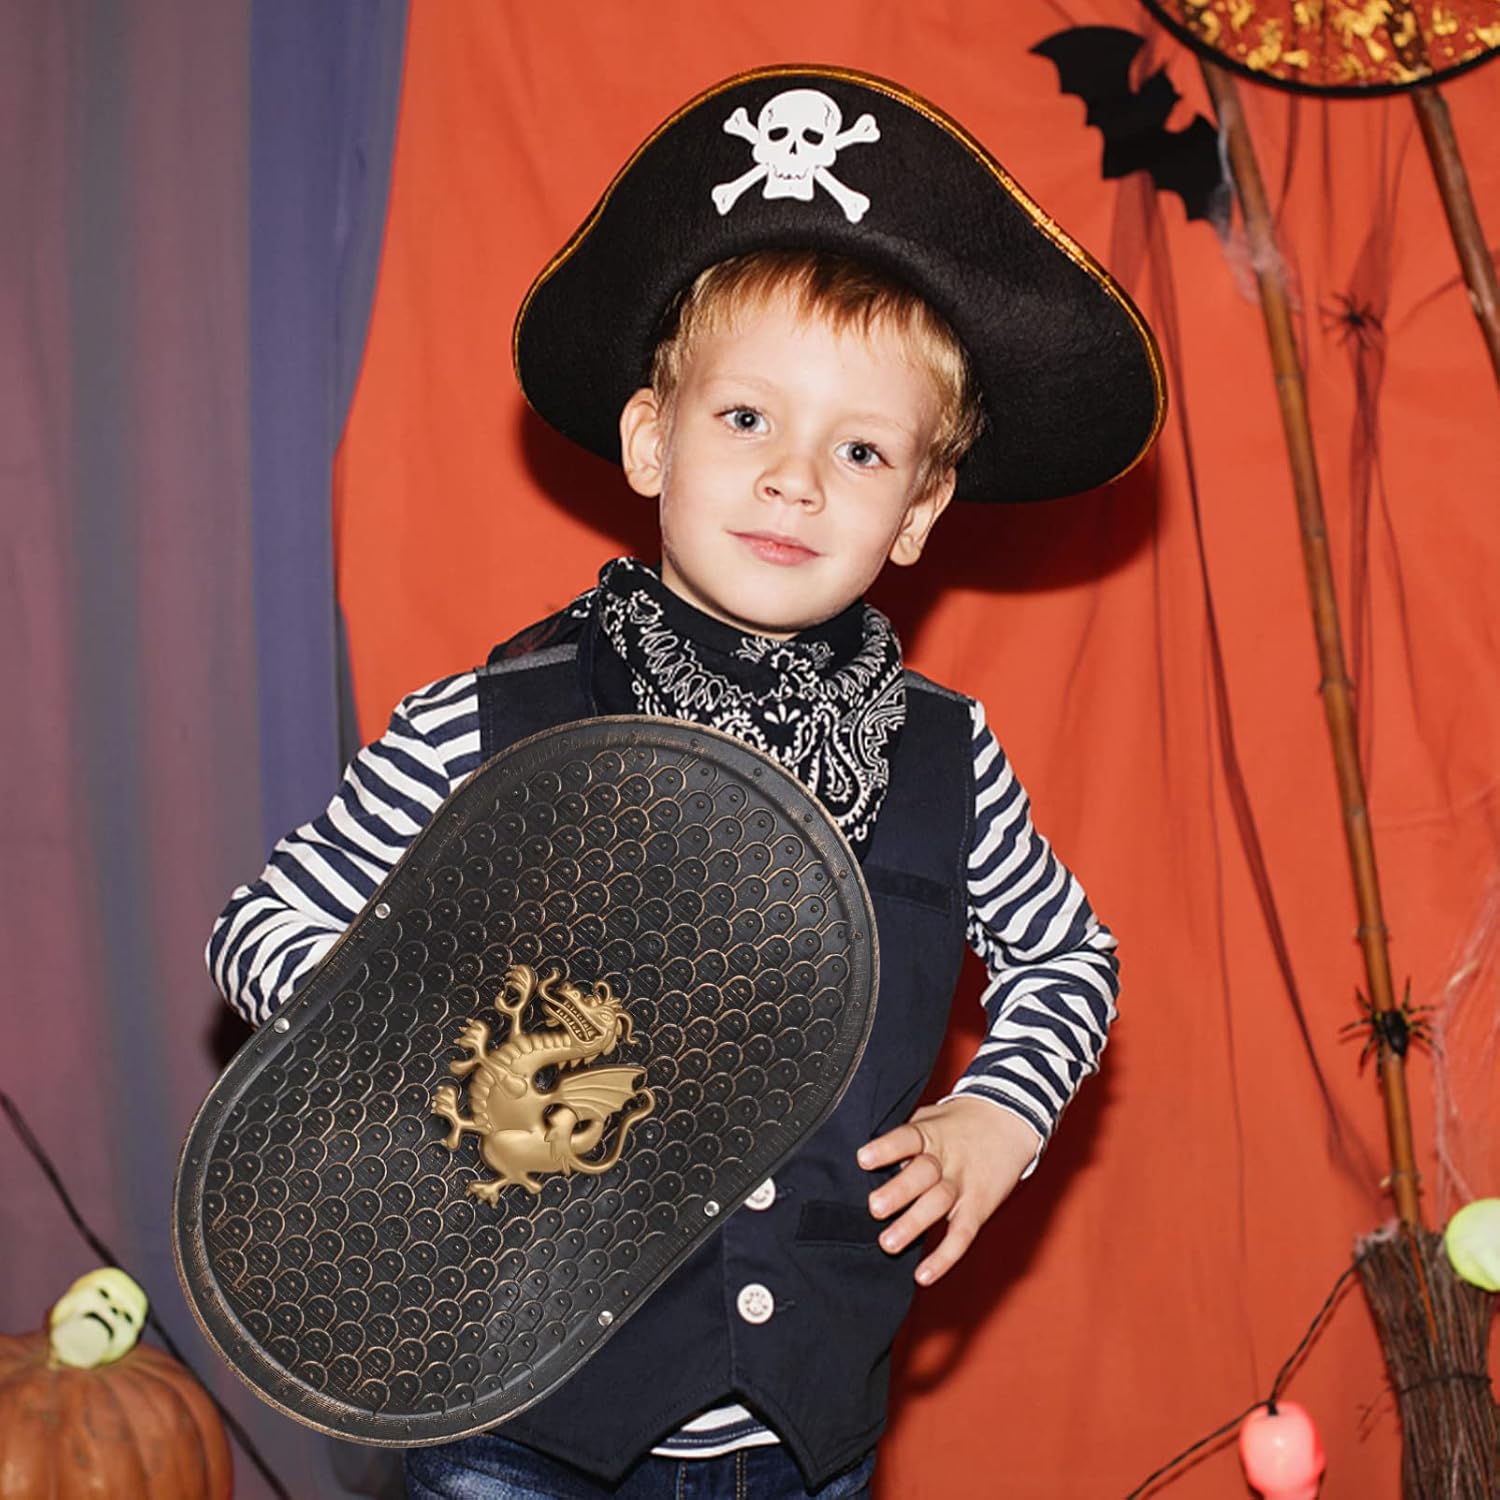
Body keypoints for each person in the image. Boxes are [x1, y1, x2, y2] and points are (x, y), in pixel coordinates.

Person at [209, 64, 1162, 1500]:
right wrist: (440, 1032)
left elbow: (1068, 960)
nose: (797, 480)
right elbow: (263, 932)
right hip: (515, 1422)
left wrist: (1002, 1118)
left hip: (803, 1435)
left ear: (918, 510)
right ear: (652, 439)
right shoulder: (490, 721)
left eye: (860, 449)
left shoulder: (947, 760)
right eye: (747, 420)